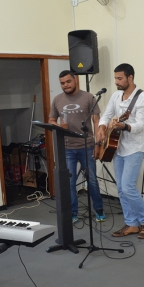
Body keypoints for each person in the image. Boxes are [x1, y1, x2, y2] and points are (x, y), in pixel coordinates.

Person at [96, 63, 144, 239]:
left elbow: (141, 125)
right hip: (116, 147)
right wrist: (101, 127)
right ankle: (131, 224)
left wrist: (125, 126)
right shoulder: (116, 96)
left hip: (135, 149)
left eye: (120, 78)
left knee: (128, 187)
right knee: (121, 188)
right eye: (115, 78)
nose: (116, 82)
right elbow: (106, 115)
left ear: (130, 77)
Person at [48, 70, 105, 224]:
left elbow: (96, 121)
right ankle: (73, 213)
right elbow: (51, 120)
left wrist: (97, 144)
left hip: (87, 146)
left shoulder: (89, 97)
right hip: (67, 148)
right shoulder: (57, 100)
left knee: (92, 180)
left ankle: (99, 210)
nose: (65, 85)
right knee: (70, 183)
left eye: (68, 82)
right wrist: (59, 125)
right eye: (62, 83)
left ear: (75, 80)